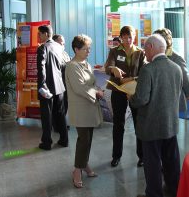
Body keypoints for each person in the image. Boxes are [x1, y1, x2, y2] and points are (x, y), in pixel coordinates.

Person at [128, 34, 183, 197]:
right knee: (171, 161)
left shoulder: (148, 69)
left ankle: (154, 193)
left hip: (151, 126)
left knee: (152, 164)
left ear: (151, 47)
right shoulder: (176, 68)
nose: (144, 52)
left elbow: (141, 99)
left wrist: (131, 98)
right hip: (171, 124)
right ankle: (173, 190)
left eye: (145, 48)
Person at [65, 34, 104, 188]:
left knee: (88, 138)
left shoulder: (85, 64)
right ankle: (77, 169)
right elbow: (80, 88)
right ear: (76, 49)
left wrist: (97, 88)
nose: (89, 51)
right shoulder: (72, 66)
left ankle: (84, 164)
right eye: (85, 49)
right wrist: (96, 92)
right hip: (81, 108)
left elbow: (92, 83)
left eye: (89, 48)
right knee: (83, 140)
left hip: (90, 107)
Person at [104, 25, 146, 167]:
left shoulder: (140, 52)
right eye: (125, 37)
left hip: (135, 92)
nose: (128, 40)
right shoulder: (115, 51)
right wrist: (112, 68)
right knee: (118, 124)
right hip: (119, 91)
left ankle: (142, 156)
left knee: (138, 123)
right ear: (120, 37)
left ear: (134, 36)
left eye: (131, 36)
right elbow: (107, 67)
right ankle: (116, 155)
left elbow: (145, 73)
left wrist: (132, 79)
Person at [37, 25, 68, 150]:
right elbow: (64, 65)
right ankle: (64, 140)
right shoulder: (59, 47)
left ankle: (46, 142)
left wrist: (42, 85)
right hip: (60, 86)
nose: (38, 36)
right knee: (60, 114)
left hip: (47, 88)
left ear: (45, 34)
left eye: (39, 34)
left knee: (46, 116)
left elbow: (41, 68)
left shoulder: (42, 48)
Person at [153, 28, 189, 112]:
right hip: (159, 98)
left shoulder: (176, 58)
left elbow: (185, 78)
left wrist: (188, 93)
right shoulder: (154, 56)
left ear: (166, 41)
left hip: (174, 98)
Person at [52, 34, 71, 130]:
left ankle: (63, 123)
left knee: (65, 104)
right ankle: (57, 126)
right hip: (58, 84)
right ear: (55, 43)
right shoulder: (52, 53)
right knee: (57, 106)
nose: (63, 44)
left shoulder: (65, 53)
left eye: (63, 43)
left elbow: (70, 63)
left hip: (67, 83)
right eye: (61, 42)